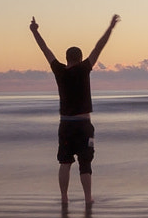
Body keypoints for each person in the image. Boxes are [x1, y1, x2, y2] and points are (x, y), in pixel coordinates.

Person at [31, 14, 119, 206]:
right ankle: (88, 199)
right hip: (84, 125)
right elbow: (98, 47)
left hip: (66, 125)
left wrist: (34, 31)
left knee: (65, 162)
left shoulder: (59, 71)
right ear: (80, 58)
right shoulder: (84, 68)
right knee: (85, 163)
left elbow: (45, 49)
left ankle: (64, 198)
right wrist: (110, 28)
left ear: (67, 58)